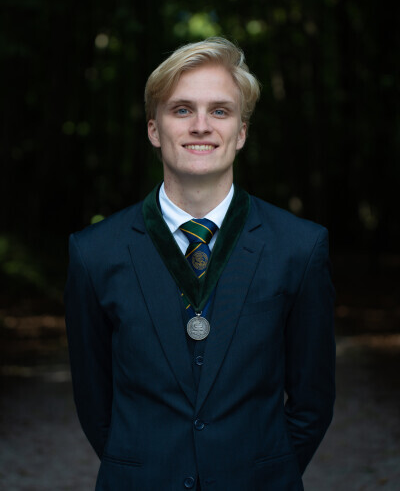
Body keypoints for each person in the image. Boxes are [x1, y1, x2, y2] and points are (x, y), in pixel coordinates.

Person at [65, 37, 335, 491]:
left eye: (220, 111)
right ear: (154, 130)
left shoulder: (299, 247)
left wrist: (266, 472)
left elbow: (313, 400)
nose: (201, 126)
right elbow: (94, 403)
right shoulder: (94, 252)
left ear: (241, 133)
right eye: (182, 109)